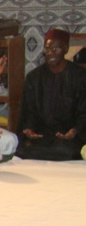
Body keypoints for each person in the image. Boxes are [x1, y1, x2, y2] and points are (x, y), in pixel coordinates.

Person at [17, 28, 86, 160]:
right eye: (47, 49)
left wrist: (75, 130)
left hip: (69, 135)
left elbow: (84, 111)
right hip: (43, 134)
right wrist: (30, 129)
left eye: (56, 49)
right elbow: (29, 110)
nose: (51, 53)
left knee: (69, 151)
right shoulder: (34, 77)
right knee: (23, 149)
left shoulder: (80, 76)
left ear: (65, 49)